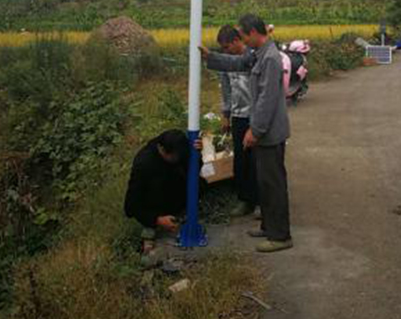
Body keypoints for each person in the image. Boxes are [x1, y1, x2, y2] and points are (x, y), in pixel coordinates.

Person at [201, 14, 292, 253]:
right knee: (263, 181)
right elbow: (237, 63)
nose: (241, 39)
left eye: (242, 35)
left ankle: (280, 236)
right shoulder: (259, 55)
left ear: (252, 32)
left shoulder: (270, 59)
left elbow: (266, 100)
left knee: (273, 184)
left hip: (269, 133)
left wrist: (255, 130)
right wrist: (212, 58)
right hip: (263, 131)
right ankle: (268, 226)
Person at [124, 129, 197, 257]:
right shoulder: (144, 164)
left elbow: (193, 171)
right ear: (162, 149)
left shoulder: (178, 149)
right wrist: (157, 220)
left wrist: (197, 153)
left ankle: (178, 210)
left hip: (173, 194)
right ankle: (151, 228)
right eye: (173, 157)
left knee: (200, 183)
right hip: (154, 205)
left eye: (178, 156)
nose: (177, 159)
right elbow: (130, 206)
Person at [216, 24, 259, 218]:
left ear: (236, 41)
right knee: (241, 161)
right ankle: (245, 200)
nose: (224, 51)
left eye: (226, 47)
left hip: (256, 116)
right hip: (238, 116)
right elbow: (226, 89)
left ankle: (261, 202)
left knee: (257, 161)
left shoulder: (253, 58)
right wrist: (226, 115)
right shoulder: (225, 63)